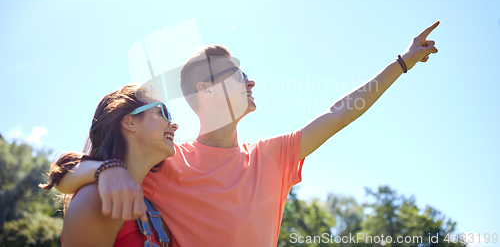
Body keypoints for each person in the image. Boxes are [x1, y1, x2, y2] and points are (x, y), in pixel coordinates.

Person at [53, 22, 440, 246]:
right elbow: (72, 175)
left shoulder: (272, 158)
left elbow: (340, 112)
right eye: (238, 74)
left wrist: (402, 63)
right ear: (206, 91)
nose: (250, 79)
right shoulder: (167, 162)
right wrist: (109, 170)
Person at [41, 84, 178, 247]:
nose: (174, 124)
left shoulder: (155, 212)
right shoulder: (97, 199)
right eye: (162, 112)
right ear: (130, 122)